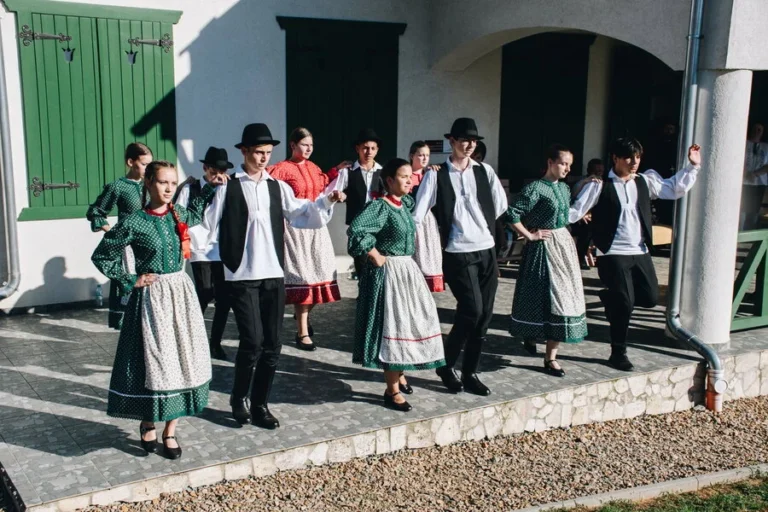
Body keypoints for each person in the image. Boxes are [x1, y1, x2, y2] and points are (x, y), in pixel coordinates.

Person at [204, 123, 345, 429]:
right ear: (244, 151)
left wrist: (328, 200)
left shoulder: (277, 187)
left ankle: (260, 405)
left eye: (268, 152)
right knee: (252, 341)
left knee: (272, 344)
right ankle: (238, 398)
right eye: (258, 152)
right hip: (241, 274)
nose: (264, 158)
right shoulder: (229, 186)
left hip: (273, 273)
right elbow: (207, 226)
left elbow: (302, 214)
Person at [91, 160, 226, 460]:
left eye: (173, 183)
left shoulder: (179, 214)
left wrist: (211, 187)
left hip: (181, 295)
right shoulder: (134, 222)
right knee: (155, 362)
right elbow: (102, 256)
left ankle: (171, 430)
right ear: (149, 182)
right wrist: (131, 279)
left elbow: (196, 212)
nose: (169, 188)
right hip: (152, 300)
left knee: (181, 360)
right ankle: (148, 421)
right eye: (163, 182)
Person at [569, 137, 702, 371]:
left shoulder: (644, 181)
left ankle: (612, 299)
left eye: (638, 157)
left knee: (650, 298)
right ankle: (618, 353)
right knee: (625, 304)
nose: (634, 162)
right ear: (615, 158)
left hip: (640, 250)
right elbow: (575, 210)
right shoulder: (599, 184)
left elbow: (673, 188)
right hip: (612, 252)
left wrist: (693, 166)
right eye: (629, 158)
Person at [413, 118, 509, 396]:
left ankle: (469, 372)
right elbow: (418, 213)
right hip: (457, 251)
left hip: (486, 248)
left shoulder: (485, 171)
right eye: (464, 140)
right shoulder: (436, 174)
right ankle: (446, 364)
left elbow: (499, 206)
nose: (469, 145)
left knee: (484, 315)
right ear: (452, 141)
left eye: (473, 141)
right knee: (472, 310)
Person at [348, 158, 446, 411]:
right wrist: (375, 254)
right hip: (389, 273)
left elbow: (421, 198)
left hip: (407, 271)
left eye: (410, 177)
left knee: (411, 324)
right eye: (404, 177)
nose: (409, 181)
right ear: (389, 180)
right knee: (394, 325)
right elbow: (357, 230)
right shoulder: (380, 207)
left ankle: (400, 373)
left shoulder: (404, 204)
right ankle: (391, 390)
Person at [507, 145, 587, 376]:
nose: (567, 168)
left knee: (564, 298)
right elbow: (512, 213)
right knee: (540, 296)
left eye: (569, 165)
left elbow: (565, 214)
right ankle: (531, 334)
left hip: (563, 246)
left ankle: (550, 357)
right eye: (563, 163)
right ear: (550, 163)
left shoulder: (564, 188)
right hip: (543, 247)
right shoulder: (535, 188)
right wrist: (529, 235)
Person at [269, 128, 341, 351]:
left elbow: (323, 188)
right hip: (294, 229)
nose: (309, 149)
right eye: (304, 144)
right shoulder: (280, 169)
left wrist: (336, 180)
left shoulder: (314, 168)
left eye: (311, 145)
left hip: (316, 228)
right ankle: (302, 332)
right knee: (303, 278)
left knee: (322, 275)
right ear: (293, 145)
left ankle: (303, 316)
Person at [174, 146, 233, 360]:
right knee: (204, 293)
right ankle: (193, 341)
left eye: (222, 171)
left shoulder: (228, 188)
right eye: (214, 171)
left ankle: (215, 343)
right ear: (205, 168)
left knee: (224, 299)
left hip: (222, 248)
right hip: (199, 247)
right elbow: (180, 216)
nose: (218, 175)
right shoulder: (191, 188)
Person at [87, 142, 153, 330]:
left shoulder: (151, 184)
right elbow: (96, 212)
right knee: (130, 284)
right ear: (131, 162)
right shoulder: (118, 187)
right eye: (144, 164)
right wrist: (113, 233)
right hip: (128, 247)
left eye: (150, 164)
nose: (148, 168)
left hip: (148, 244)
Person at [327, 128, 385, 278]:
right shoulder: (348, 171)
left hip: (378, 224)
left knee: (378, 262)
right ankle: (363, 288)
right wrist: (340, 195)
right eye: (365, 148)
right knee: (361, 261)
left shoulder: (382, 172)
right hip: (357, 224)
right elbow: (334, 190)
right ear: (357, 148)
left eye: (372, 148)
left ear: (377, 150)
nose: (369, 152)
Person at [408, 141, 444, 292]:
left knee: (427, 252)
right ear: (412, 156)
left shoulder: (430, 174)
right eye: (420, 155)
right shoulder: (405, 175)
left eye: (427, 155)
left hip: (426, 221)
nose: (424, 158)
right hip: (409, 217)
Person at [571, 158, 605, 269]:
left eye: (601, 170)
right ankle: (580, 258)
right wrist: (582, 215)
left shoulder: (605, 183)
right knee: (586, 229)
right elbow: (576, 200)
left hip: (596, 215)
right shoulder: (586, 183)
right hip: (579, 217)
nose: (599, 173)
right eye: (596, 170)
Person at [741, 121, 768, 230]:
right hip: (743, 183)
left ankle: (749, 234)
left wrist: (755, 174)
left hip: (759, 184)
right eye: (755, 129)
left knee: (753, 214)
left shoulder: (765, 147)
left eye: (759, 130)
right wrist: (745, 174)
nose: (757, 131)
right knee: (741, 212)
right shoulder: (743, 143)